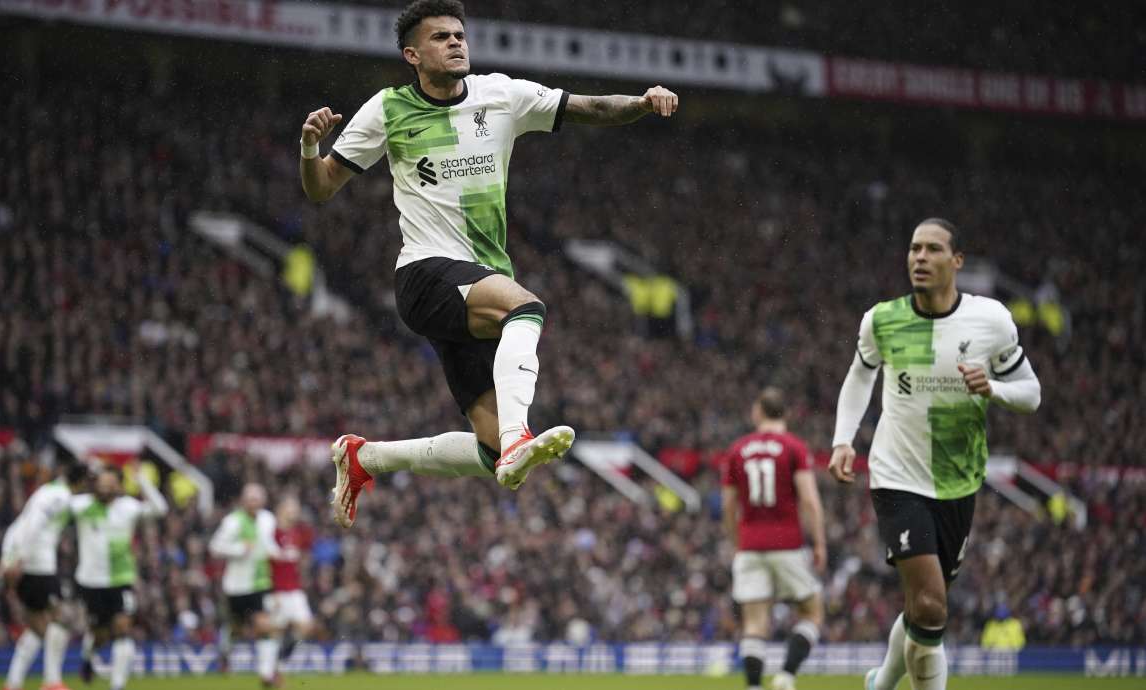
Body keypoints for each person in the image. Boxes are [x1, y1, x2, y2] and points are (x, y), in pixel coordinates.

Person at [298, 0, 680, 527]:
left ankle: (367, 457)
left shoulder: (500, 95)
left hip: (475, 279)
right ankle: (519, 436)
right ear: (413, 54)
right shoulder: (387, 109)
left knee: (488, 452)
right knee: (525, 309)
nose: (456, 43)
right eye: (440, 38)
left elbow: (588, 107)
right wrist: (308, 148)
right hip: (425, 272)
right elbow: (321, 187)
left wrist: (640, 102)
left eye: (459, 34)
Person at [828, 218, 1041, 690]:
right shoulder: (882, 319)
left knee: (924, 608)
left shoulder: (991, 321)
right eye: (913, 249)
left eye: (932, 250)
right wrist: (844, 439)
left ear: (956, 261)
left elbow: (1032, 393)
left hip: (959, 480)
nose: (919, 258)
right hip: (897, 475)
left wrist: (996, 389)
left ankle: (880, 683)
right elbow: (860, 375)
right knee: (929, 605)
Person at [720, 388, 825, 690]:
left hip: (750, 545)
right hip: (787, 543)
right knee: (811, 612)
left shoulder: (737, 449)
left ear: (758, 412)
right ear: (786, 414)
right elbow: (809, 500)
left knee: (754, 624)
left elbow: (729, 505)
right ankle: (786, 675)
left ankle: (754, 686)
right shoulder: (794, 447)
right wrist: (819, 542)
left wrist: (735, 541)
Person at [71, 465, 168, 690]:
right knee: (100, 634)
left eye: (110, 484)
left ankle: (117, 684)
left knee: (123, 628)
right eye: (101, 483)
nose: (105, 488)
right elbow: (58, 508)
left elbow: (161, 509)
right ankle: (87, 656)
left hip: (122, 579)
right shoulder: (82, 505)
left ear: (118, 486)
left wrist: (143, 482)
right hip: (91, 582)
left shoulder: (129, 507)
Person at [0, 461, 89, 690]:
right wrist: (18, 559)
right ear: (81, 483)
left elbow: (23, 522)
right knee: (60, 618)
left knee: (38, 626)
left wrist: (10, 556)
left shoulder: (50, 490)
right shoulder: (59, 496)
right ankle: (51, 682)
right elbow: (34, 522)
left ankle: (13, 683)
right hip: (34, 563)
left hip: (26, 558)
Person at [209, 483, 282, 687]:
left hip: (260, 583)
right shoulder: (232, 521)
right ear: (243, 501)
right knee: (237, 629)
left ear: (263, 501)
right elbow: (215, 547)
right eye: (250, 499)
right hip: (236, 586)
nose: (254, 503)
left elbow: (268, 543)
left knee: (264, 626)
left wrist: (279, 553)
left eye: (257, 499)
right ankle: (224, 653)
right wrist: (240, 548)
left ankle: (266, 675)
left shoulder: (268, 519)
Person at [270, 496, 316, 671]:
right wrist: (270, 590)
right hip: (277, 590)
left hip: (294, 589)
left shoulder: (298, 533)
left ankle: (282, 656)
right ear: (281, 509)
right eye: (292, 508)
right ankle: (273, 670)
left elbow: (304, 555)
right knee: (275, 631)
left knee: (306, 626)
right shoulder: (272, 532)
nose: (295, 512)